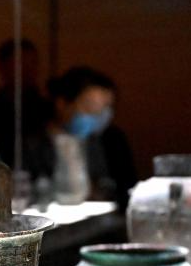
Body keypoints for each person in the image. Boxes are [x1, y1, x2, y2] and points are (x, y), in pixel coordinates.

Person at [26, 66, 137, 209]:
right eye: (90, 107)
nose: (98, 116)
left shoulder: (111, 140)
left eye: (105, 108)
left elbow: (127, 190)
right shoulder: (32, 143)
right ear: (62, 103)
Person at [0, 38, 51, 172]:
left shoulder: (45, 107)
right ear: (3, 66)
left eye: (33, 63)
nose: (29, 70)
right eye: (21, 63)